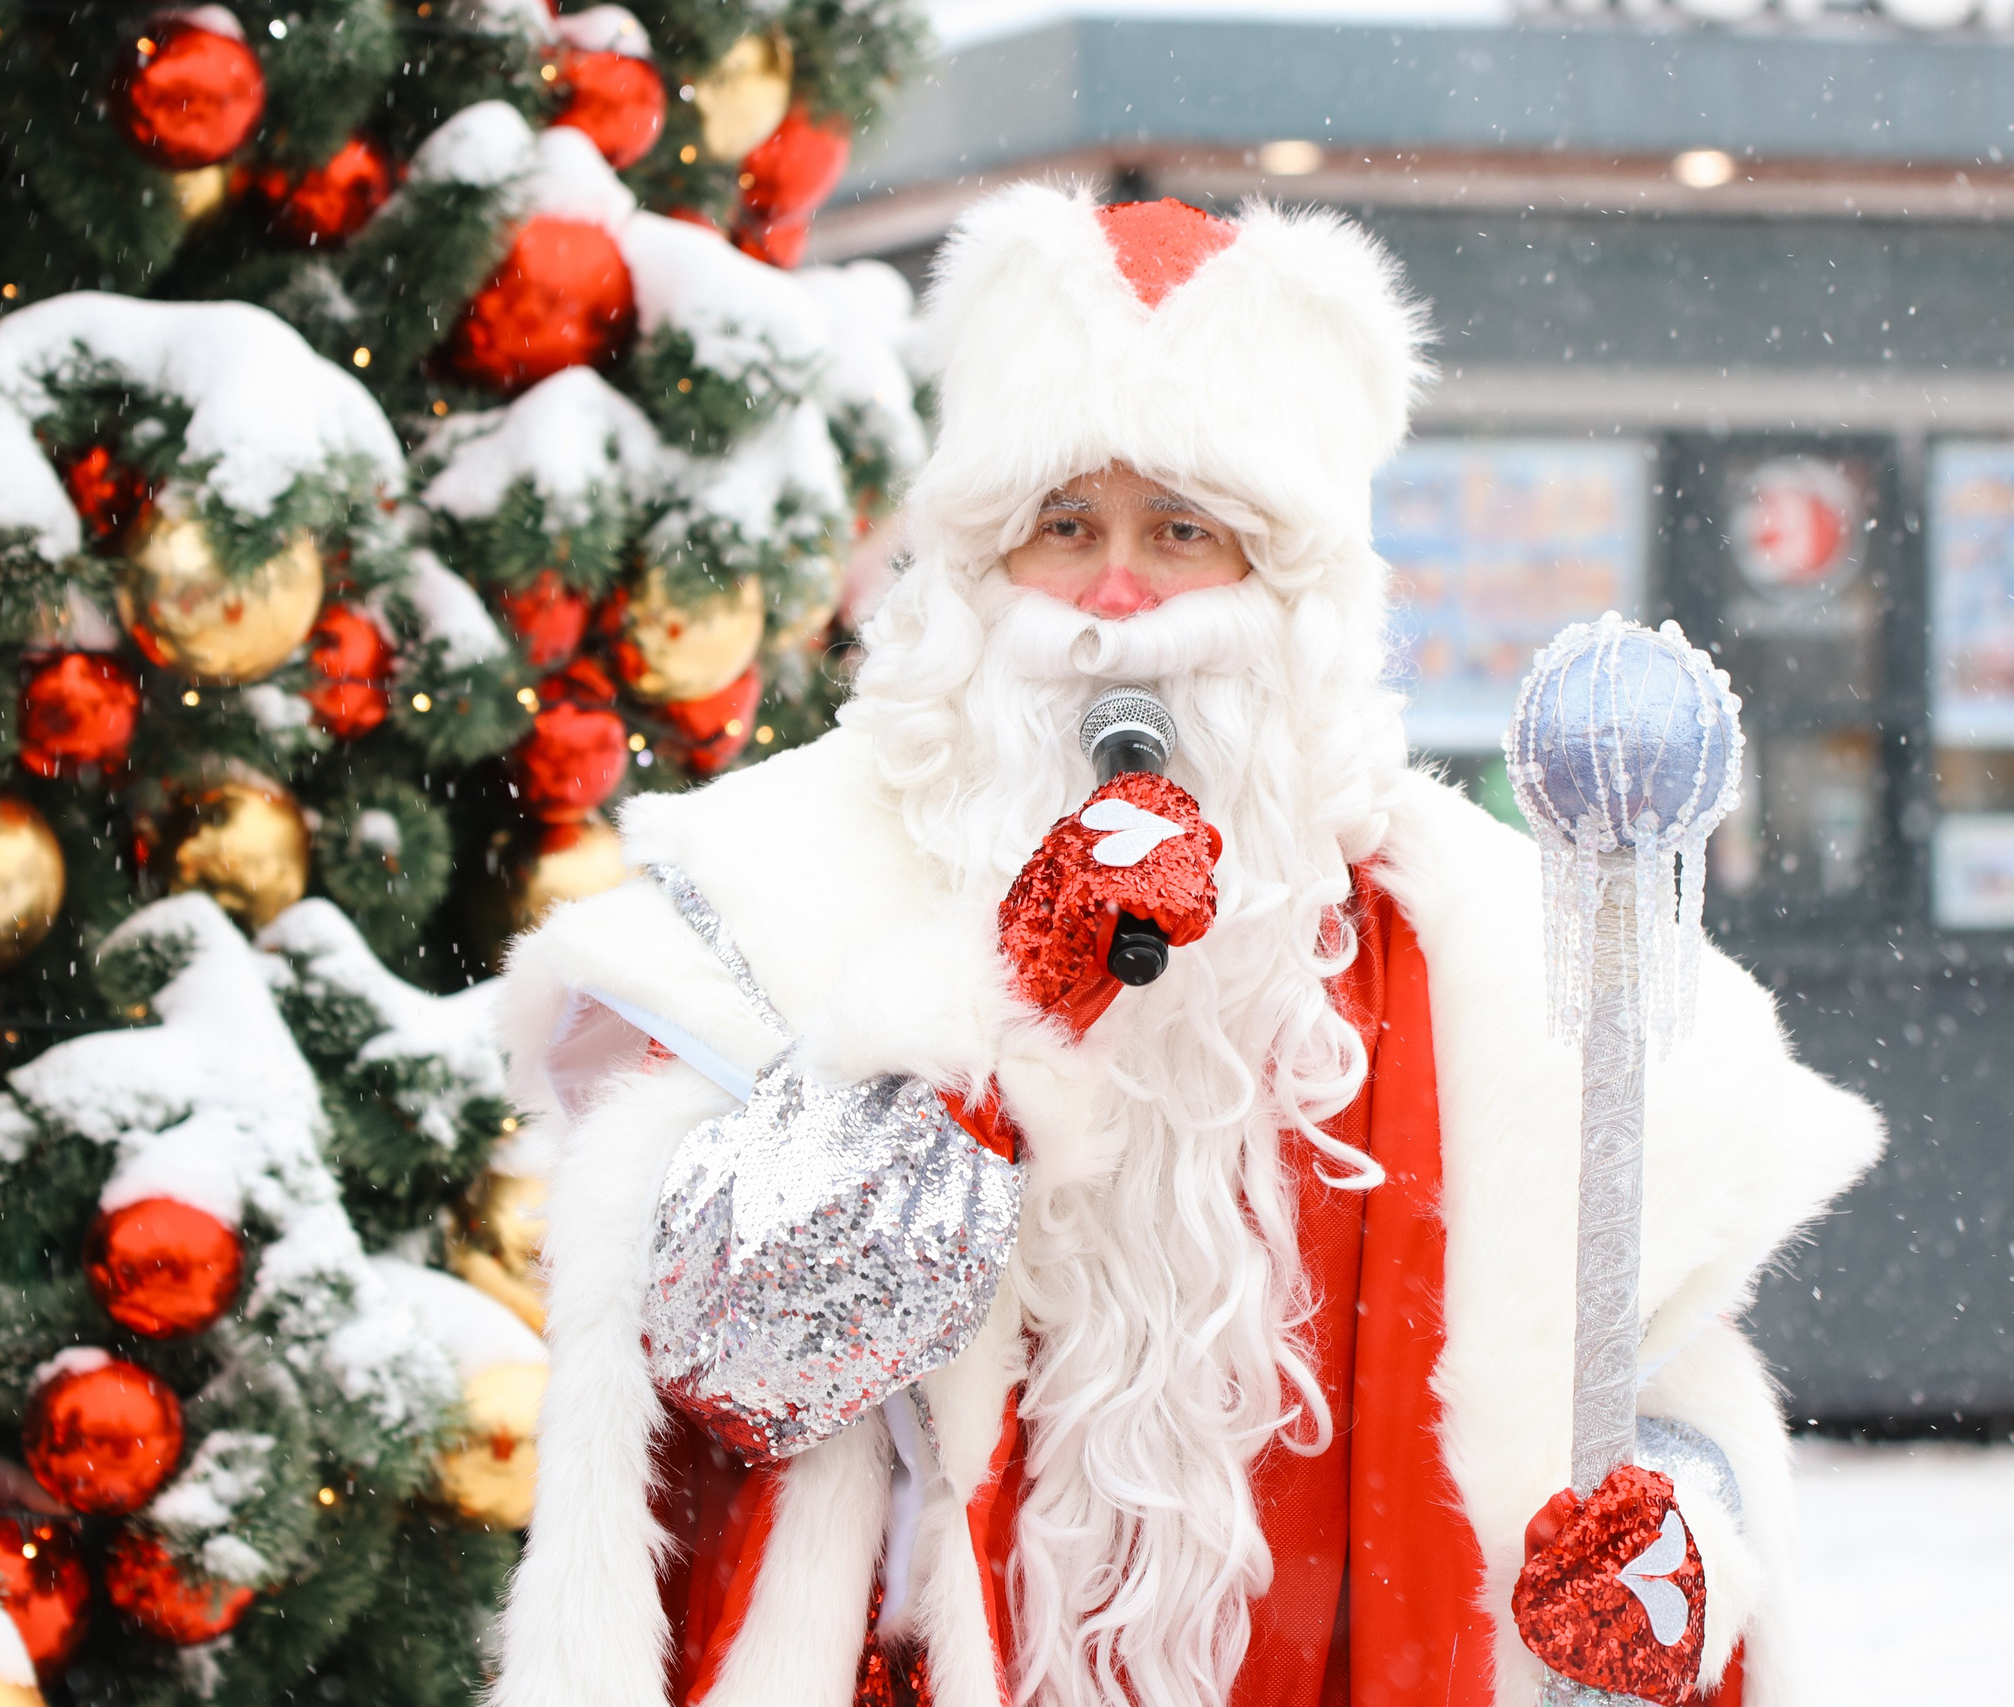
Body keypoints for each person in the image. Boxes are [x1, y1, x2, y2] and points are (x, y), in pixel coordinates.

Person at [491, 185, 1883, 1707]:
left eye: (1184, 532)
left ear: (1294, 596)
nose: (1117, 594)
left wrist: (1669, 1545)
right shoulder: (782, 897)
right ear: (966, 576)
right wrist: (1003, 1007)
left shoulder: (1472, 963)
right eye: (1063, 527)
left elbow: (1649, 1401)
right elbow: (736, 1363)